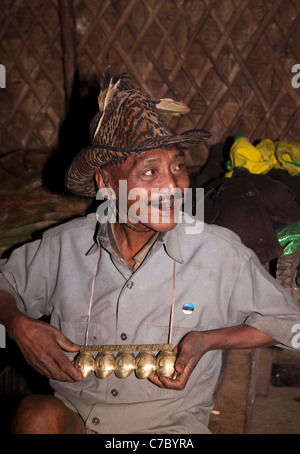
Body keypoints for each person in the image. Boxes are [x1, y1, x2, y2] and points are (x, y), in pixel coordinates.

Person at [1, 69, 300, 434]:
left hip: (171, 429)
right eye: (149, 172)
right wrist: (17, 325)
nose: (173, 186)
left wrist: (208, 340)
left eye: (177, 167)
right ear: (106, 185)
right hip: (78, 419)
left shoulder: (217, 252)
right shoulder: (64, 247)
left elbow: (289, 323)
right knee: (36, 415)